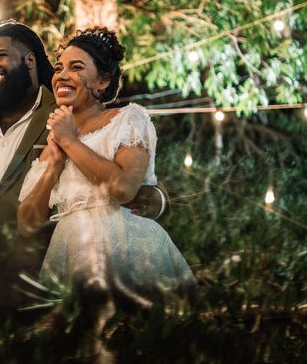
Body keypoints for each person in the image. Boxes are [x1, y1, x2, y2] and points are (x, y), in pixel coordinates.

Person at [0, 21, 168, 335]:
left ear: (30, 60)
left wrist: (154, 200)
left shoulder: (66, 116)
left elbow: (138, 186)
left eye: (0, 56)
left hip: (48, 285)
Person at [17, 27, 197, 308]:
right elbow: (26, 223)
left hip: (129, 249)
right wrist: (53, 164)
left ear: (103, 81)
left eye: (76, 67)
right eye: (58, 68)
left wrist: (69, 140)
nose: (62, 75)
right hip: (70, 254)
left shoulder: (128, 119)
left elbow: (123, 189)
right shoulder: (54, 142)